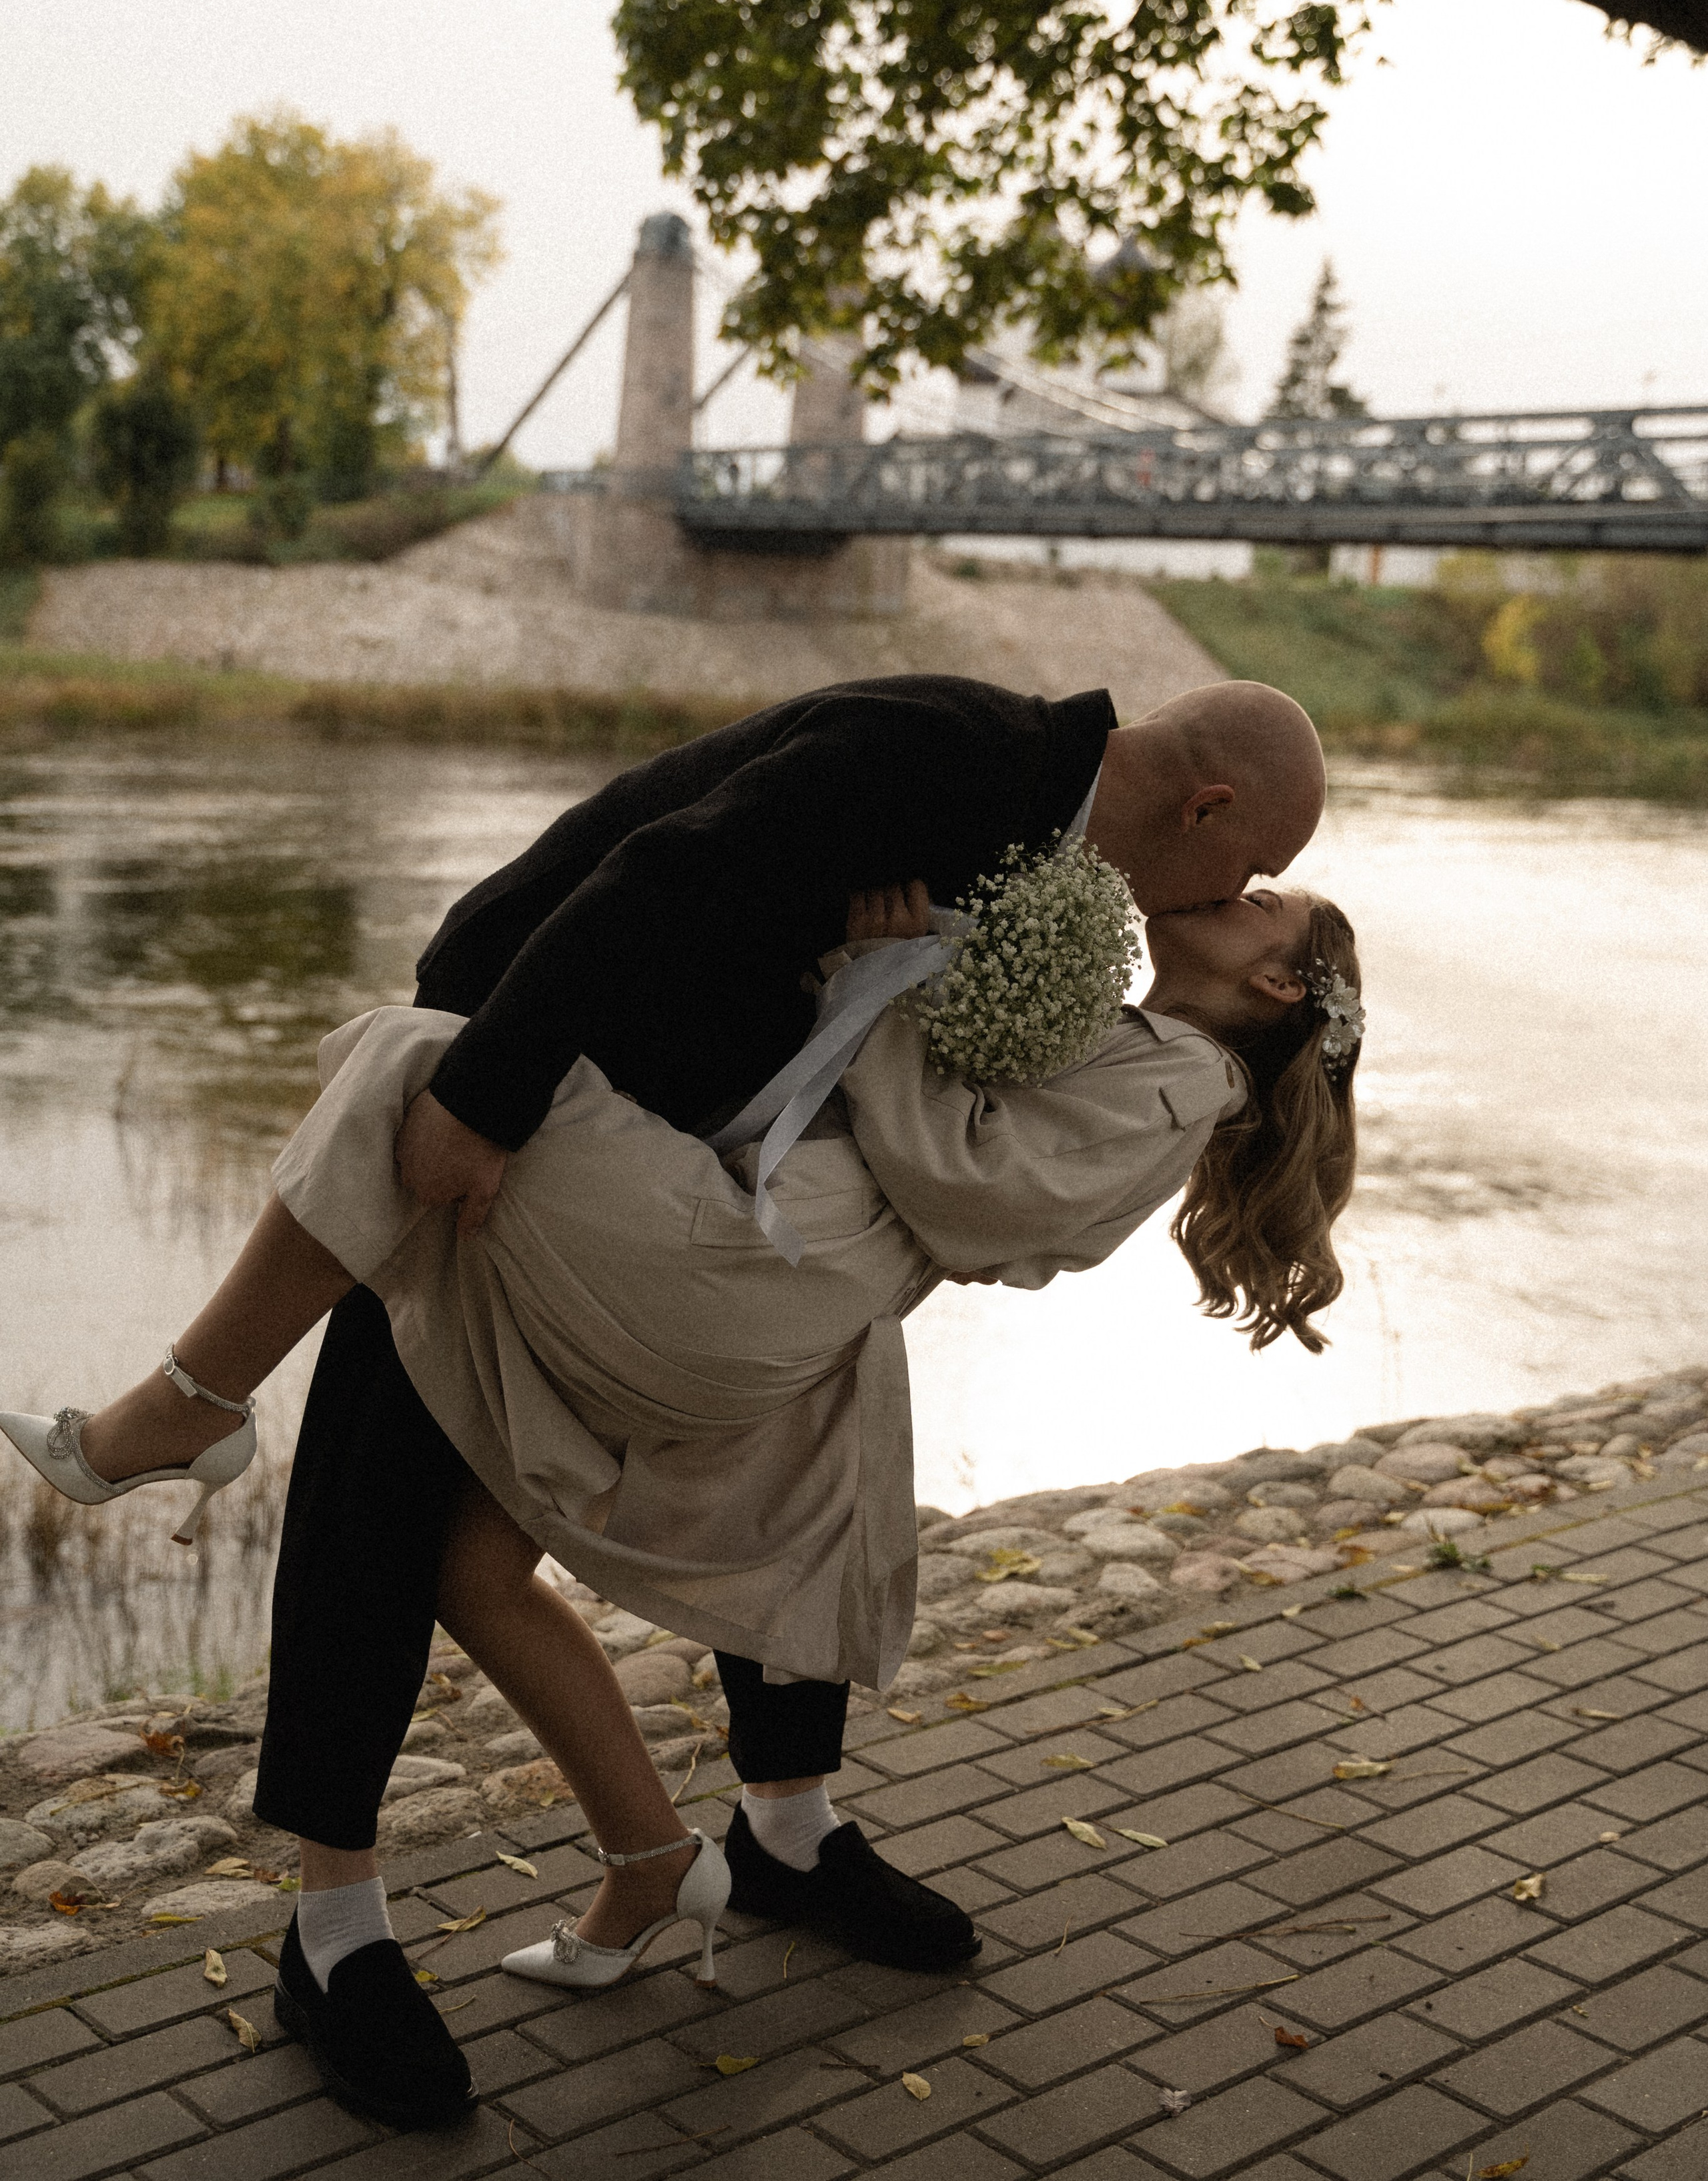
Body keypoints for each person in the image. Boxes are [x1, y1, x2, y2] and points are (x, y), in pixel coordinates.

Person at [2, 849, 1362, 2128]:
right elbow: (994, 1191)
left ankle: (185, 1406)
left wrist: (869, 988)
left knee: (411, 1059)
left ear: (1276, 985)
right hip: (770, 1266)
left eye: (1259, 901)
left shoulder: (1177, 1081)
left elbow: (970, 1184)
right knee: (467, 1565)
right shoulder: (1142, 1045)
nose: (1227, 891)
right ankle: (652, 1861)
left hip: (747, 1279)